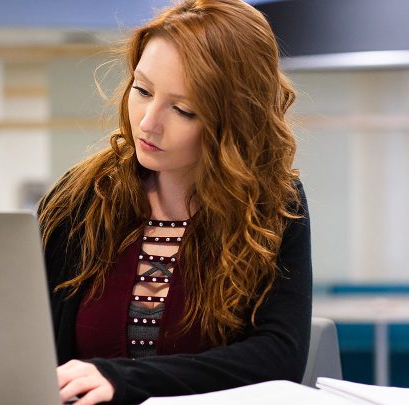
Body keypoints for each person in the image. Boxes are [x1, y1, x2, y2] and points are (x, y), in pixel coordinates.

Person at [36, 1, 311, 403]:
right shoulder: (80, 198)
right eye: (142, 90)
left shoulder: (275, 205)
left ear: (232, 121)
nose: (148, 122)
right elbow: (28, 342)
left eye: (182, 109)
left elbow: (278, 357)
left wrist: (124, 379)